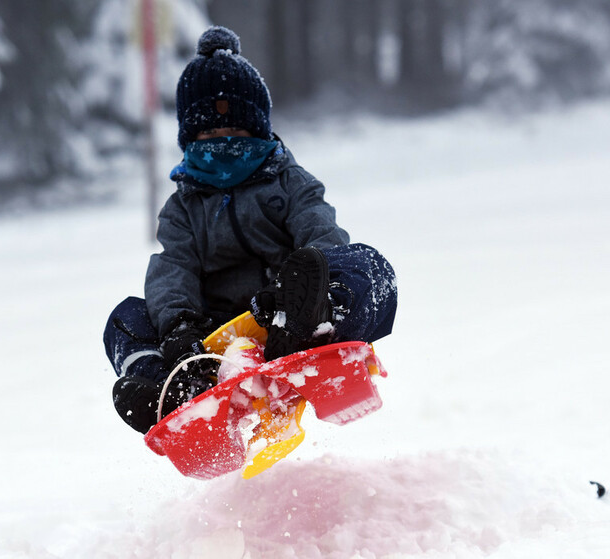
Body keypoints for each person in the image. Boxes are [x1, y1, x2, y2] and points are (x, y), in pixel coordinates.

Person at [103, 26, 397, 435]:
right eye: (209, 135)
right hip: (212, 333)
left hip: (284, 314)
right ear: (189, 139)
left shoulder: (290, 183)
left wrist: (296, 289)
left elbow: (321, 233)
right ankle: (173, 390)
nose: (223, 143)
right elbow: (174, 269)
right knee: (126, 318)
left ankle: (318, 319)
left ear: (257, 130)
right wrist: (179, 328)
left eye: (235, 133)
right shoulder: (183, 207)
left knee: (370, 266)